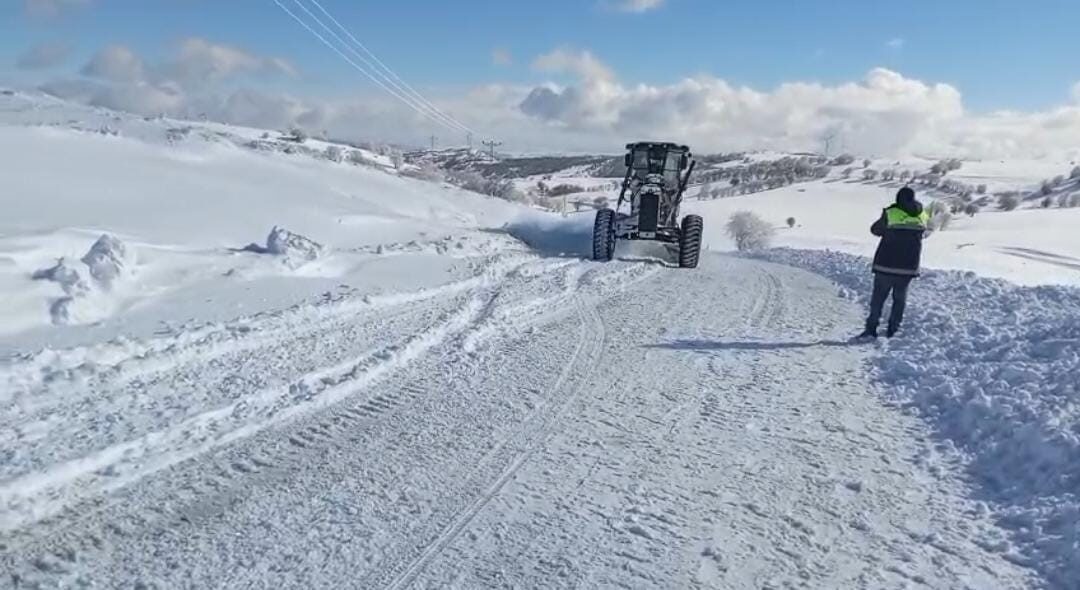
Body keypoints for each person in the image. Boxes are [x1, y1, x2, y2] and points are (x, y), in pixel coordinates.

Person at [859, 186, 930, 338]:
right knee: (900, 299)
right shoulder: (923, 215)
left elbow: (875, 230)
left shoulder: (891, 212)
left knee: (878, 299)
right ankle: (893, 329)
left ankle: (871, 329)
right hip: (908, 267)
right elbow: (925, 232)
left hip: (886, 263)